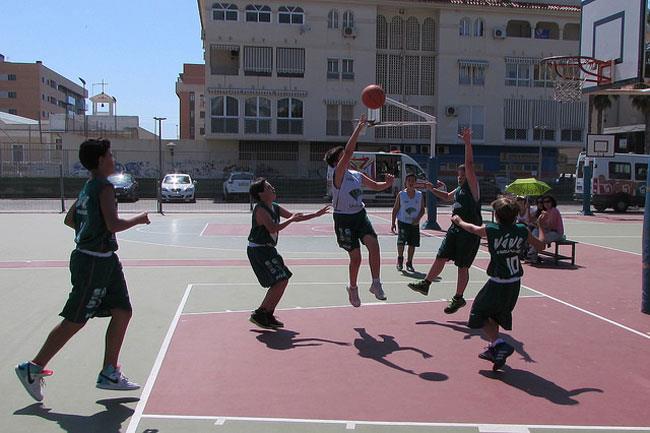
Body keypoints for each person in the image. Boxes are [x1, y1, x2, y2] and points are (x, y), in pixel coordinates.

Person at [15, 138, 151, 402]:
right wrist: (139, 218)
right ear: (100, 160)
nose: (113, 158)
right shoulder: (104, 188)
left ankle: (109, 372)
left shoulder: (88, 186)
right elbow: (112, 224)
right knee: (76, 318)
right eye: (110, 154)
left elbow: (70, 219)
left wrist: (88, 231)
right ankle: (32, 367)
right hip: (93, 262)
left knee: (122, 311)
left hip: (105, 260)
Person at [451, 196, 547, 370]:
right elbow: (541, 246)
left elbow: (472, 229)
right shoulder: (522, 230)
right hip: (515, 284)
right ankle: (495, 349)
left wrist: (458, 221)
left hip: (497, 283)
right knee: (494, 316)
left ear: (496, 216)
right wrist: (540, 227)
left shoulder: (492, 230)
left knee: (478, 314)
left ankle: (498, 343)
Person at [408, 128, 482, 314]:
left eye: (462, 174)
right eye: (458, 174)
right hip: (455, 229)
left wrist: (467, 143)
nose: (460, 176)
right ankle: (426, 284)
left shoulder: (472, 186)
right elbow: (447, 197)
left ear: (470, 175)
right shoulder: (458, 190)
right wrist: (432, 189)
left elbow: (470, 164)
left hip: (469, 232)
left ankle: (458, 298)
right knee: (441, 256)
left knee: (462, 266)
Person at [324, 114, 394, 307]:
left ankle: (376, 283)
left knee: (374, 245)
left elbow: (375, 186)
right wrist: (359, 128)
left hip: (359, 216)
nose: (347, 157)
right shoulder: (336, 174)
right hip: (343, 219)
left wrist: (387, 183)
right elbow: (347, 152)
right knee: (356, 258)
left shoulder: (355, 174)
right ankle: (353, 288)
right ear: (335, 162)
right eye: (341, 157)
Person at [247, 178, 330, 328]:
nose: (272, 187)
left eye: (271, 185)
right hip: (258, 250)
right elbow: (273, 228)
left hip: (268, 249)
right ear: (261, 194)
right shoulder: (260, 209)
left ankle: (267, 314)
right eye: (268, 187)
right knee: (280, 280)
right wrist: (291, 219)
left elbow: (296, 217)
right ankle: (260, 313)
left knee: (283, 279)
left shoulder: (275, 207)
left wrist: (316, 214)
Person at [391, 173, 425, 272]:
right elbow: (395, 209)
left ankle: (409, 262)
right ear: (405, 182)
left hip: (414, 224)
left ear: (415, 183)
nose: (411, 183)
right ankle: (400, 259)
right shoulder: (401, 194)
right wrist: (393, 223)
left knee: (412, 244)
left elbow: (422, 210)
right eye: (409, 180)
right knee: (401, 242)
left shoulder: (419, 195)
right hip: (403, 222)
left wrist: (417, 219)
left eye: (413, 181)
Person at [527, 194, 564, 262]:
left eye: (548, 201)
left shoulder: (554, 210)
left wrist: (539, 224)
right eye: (544, 202)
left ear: (552, 202)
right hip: (548, 231)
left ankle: (532, 254)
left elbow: (550, 226)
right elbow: (531, 220)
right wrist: (528, 208)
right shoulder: (545, 211)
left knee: (538, 238)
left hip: (556, 233)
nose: (546, 203)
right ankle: (531, 254)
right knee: (535, 231)